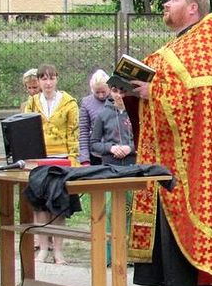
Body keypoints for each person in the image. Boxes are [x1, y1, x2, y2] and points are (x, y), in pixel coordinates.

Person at [130, 0, 212, 286]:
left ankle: (188, 285)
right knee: (162, 207)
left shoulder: (201, 45)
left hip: (191, 155)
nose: (165, 4)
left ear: (192, 8)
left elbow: (191, 101)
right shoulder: (177, 44)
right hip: (164, 150)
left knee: (184, 207)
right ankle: (164, 279)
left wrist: (153, 92)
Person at [25, 63, 80, 264]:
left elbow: (73, 133)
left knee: (58, 204)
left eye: (51, 78)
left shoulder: (69, 103)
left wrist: (73, 159)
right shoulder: (32, 103)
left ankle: (58, 250)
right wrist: (29, 158)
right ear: (39, 81)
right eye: (44, 79)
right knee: (40, 205)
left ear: (57, 79)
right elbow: (26, 131)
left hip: (61, 159)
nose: (48, 83)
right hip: (39, 160)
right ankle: (43, 248)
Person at [90, 86, 136, 165]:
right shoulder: (102, 114)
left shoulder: (137, 113)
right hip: (110, 165)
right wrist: (110, 148)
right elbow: (94, 144)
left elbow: (148, 142)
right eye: (115, 91)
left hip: (134, 164)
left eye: (122, 92)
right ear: (110, 91)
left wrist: (130, 148)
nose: (119, 95)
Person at [78, 69, 110, 165]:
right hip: (95, 155)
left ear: (109, 87)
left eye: (103, 92)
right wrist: (85, 159)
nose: (101, 95)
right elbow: (84, 131)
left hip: (114, 153)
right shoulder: (86, 103)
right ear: (92, 89)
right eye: (97, 92)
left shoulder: (117, 100)